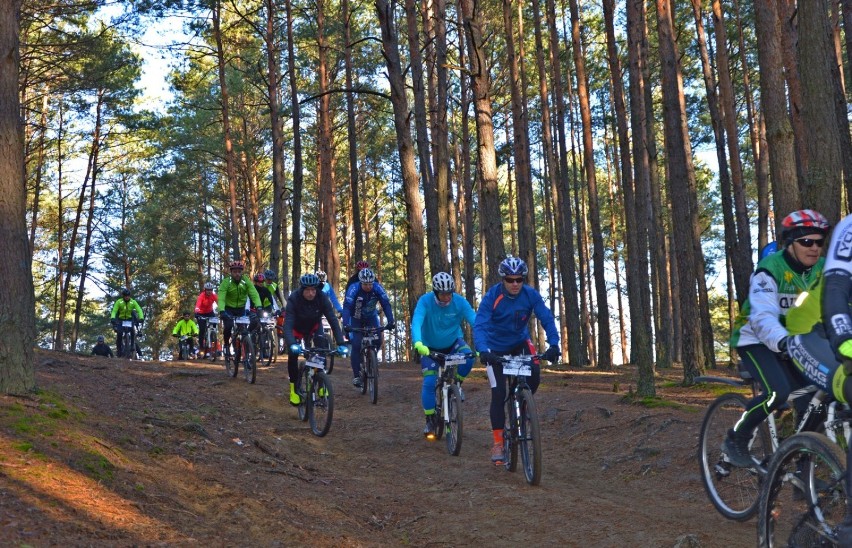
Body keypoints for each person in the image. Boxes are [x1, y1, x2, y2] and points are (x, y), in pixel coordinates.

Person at [723, 209, 830, 467]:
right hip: (756, 339)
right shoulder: (769, 269)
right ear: (790, 243)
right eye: (806, 242)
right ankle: (737, 438)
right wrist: (783, 341)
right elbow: (762, 315)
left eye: (819, 242)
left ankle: (800, 470)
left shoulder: (824, 269)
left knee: (823, 393)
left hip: (799, 340)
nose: (814, 248)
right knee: (778, 393)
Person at [474, 256, 560, 466]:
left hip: (520, 343)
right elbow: (480, 325)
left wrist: (555, 344)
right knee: (498, 393)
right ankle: (497, 442)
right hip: (495, 348)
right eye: (510, 279)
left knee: (535, 374)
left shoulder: (530, 295)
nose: (514, 284)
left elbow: (546, 318)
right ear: (503, 279)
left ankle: (522, 403)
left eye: (519, 279)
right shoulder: (492, 296)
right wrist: (483, 350)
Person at [411, 272, 476, 439]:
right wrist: (418, 343)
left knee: (469, 357)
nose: (447, 297)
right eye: (442, 294)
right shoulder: (425, 301)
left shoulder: (459, 302)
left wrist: (486, 343)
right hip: (429, 348)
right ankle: (430, 419)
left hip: (454, 343)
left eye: (449, 293)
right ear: (435, 292)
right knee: (429, 382)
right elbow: (417, 321)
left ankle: (458, 384)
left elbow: (476, 321)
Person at [283, 273, 349, 405]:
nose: (311, 293)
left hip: (314, 326)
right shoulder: (294, 299)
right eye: (307, 290)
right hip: (296, 328)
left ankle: (320, 383)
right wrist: (291, 344)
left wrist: (341, 343)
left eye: (313, 289)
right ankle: (293, 389)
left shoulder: (322, 297)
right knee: (293, 356)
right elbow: (288, 324)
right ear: (302, 289)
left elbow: (332, 320)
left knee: (321, 347)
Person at [342, 267, 395, 388]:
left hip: (371, 317)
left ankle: (372, 360)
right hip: (355, 318)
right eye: (366, 284)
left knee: (378, 340)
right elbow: (347, 307)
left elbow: (386, 304)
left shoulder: (377, 287)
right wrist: (346, 324)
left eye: (370, 284)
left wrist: (391, 320)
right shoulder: (353, 288)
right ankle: (356, 375)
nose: (369, 286)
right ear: (361, 282)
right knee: (356, 344)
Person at [217, 260, 262, 356]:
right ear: (231, 272)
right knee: (228, 326)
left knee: (245, 329)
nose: (237, 274)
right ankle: (226, 346)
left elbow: (254, 294)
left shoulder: (246, 281)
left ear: (242, 272)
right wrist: (221, 311)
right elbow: (221, 297)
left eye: (239, 271)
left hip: (241, 309)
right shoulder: (226, 282)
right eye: (235, 272)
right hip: (228, 309)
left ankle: (245, 350)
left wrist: (259, 306)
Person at [110, 288, 145, 358]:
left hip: (129, 319)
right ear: (123, 296)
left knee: (132, 330)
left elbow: (139, 310)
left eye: (128, 295)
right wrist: (113, 318)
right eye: (125, 296)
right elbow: (114, 311)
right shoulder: (119, 302)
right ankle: (119, 349)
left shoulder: (133, 302)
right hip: (121, 319)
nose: (127, 297)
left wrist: (141, 318)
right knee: (119, 333)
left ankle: (132, 345)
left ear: (130, 296)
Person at [195, 281, 219, 358]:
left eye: (211, 290)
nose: (209, 291)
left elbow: (219, 303)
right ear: (205, 290)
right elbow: (198, 305)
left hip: (209, 312)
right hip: (201, 313)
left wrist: (222, 310)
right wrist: (196, 311)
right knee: (202, 329)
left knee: (214, 323)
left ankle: (213, 335)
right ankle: (201, 346)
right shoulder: (201, 296)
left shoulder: (213, 295)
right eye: (208, 290)